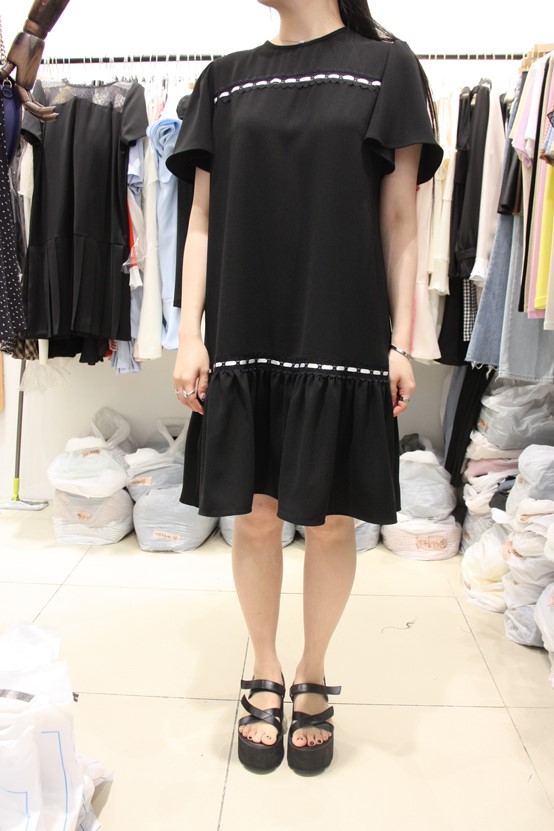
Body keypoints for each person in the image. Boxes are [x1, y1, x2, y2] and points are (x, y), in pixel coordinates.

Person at [167, 0, 442, 774]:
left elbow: (401, 217)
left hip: (341, 329)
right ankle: (264, 666)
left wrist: (401, 341)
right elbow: (202, 218)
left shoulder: (386, 67)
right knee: (254, 517)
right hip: (246, 327)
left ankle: (314, 669)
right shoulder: (224, 81)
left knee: (329, 520)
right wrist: (189, 334)